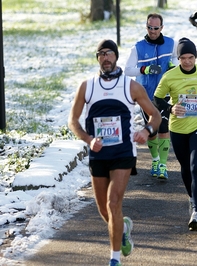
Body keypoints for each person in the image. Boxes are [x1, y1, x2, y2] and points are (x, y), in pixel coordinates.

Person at [68, 39, 161, 266]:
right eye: (101, 54)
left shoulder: (130, 86)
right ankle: (123, 229)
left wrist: (147, 131)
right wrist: (89, 140)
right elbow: (73, 121)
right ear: (97, 58)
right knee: (103, 208)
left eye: (109, 54)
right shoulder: (87, 86)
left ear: (116, 57)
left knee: (113, 203)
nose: (105, 58)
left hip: (122, 152)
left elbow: (155, 115)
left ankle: (114, 259)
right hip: (98, 153)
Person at [153, 37, 197, 231]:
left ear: (195, 57)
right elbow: (157, 98)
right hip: (178, 128)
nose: (188, 61)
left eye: (191, 57)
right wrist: (170, 108)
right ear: (179, 58)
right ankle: (192, 198)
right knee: (185, 167)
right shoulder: (170, 76)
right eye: (183, 58)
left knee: (195, 167)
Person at [125, 13, 179, 180]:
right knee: (152, 130)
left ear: (161, 28)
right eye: (149, 27)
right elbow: (127, 70)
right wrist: (144, 70)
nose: (153, 31)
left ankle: (163, 165)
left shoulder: (171, 44)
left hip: (164, 94)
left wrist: (172, 66)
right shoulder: (138, 47)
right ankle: (155, 160)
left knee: (163, 127)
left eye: (156, 28)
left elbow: (177, 60)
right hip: (145, 95)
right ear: (146, 26)